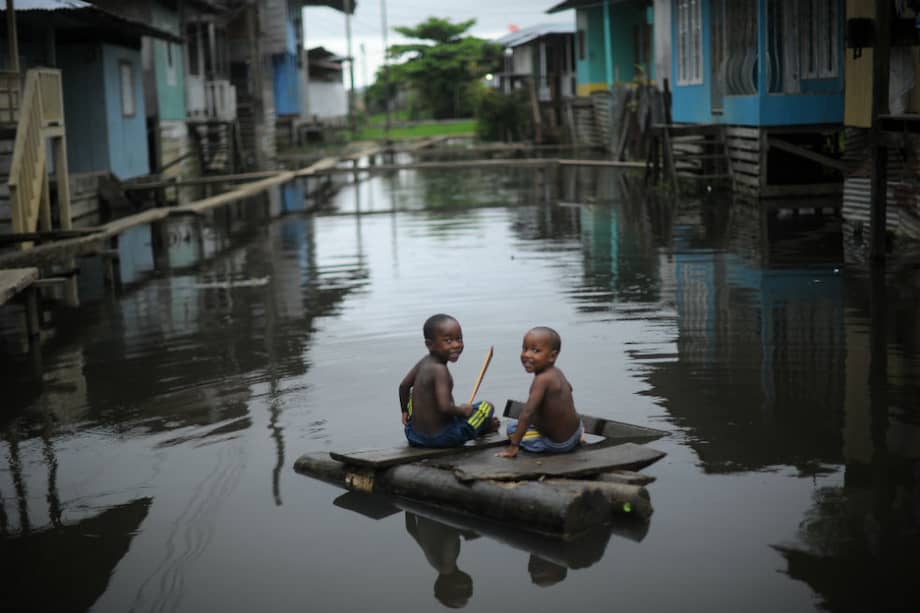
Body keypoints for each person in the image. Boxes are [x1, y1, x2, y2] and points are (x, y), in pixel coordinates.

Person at [399, 313, 498, 447]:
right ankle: (482, 428)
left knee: (413, 395)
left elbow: (404, 386)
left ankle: (477, 425)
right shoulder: (440, 370)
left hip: (413, 435)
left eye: (459, 338)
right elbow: (445, 408)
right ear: (430, 344)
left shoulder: (424, 362)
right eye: (448, 340)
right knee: (486, 406)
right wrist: (463, 410)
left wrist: (405, 411)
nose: (457, 344)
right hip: (443, 438)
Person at [496, 326, 583, 458]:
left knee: (512, 429)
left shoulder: (541, 380)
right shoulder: (557, 372)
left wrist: (513, 446)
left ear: (552, 356)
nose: (527, 355)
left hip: (558, 444)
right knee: (519, 423)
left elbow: (527, 414)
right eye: (525, 349)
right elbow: (569, 389)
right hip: (576, 432)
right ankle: (579, 435)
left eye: (535, 350)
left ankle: (522, 445)